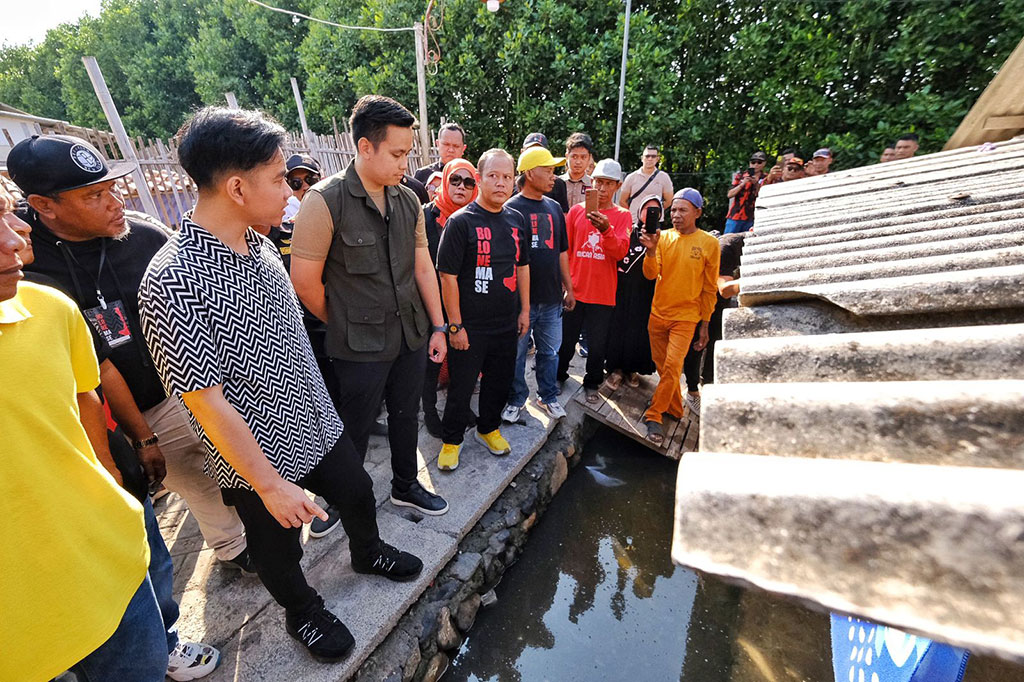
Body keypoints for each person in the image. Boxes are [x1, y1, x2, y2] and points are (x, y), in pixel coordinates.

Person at [138, 106, 424, 662]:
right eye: (278, 179)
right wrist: (269, 486)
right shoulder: (172, 278)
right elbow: (206, 403)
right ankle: (302, 610)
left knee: (357, 492)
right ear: (237, 187)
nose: (290, 192)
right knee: (276, 544)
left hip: (315, 421)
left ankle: (367, 551)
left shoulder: (263, 245)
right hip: (256, 451)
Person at [7, 134, 252, 572]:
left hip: (191, 387)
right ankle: (233, 548)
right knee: (194, 480)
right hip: (113, 413)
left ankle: (257, 530)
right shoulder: (24, 267)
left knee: (232, 463)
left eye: (111, 188)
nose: (114, 202)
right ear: (45, 205)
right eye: (94, 195)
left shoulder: (145, 236)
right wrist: (140, 436)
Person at [0, 197, 217, 682]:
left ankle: (167, 642)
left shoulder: (47, 306)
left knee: (144, 652)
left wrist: (115, 473)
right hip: (20, 616)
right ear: (45, 204)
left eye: (5, 214)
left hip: (113, 558)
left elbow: (88, 387)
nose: (14, 238)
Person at [289, 95, 449, 521]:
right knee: (353, 424)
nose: (404, 164)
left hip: (410, 334)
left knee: (406, 415)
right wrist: (343, 323)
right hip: (358, 346)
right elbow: (304, 282)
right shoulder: (324, 201)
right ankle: (343, 498)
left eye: (407, 153)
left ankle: (405, 485)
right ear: (365, 146)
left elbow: (422, 266)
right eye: (397, 154)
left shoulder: (408, 200)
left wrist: (438, 326)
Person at [435, 148, 530, 471]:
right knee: (461, 388)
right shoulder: (461, 222)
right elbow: (447, 277)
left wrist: (524, 311)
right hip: (470, 327)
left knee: (498, 383)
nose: (501, 183)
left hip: (506, 323)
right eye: (493, 176)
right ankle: (451, 440)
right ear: (479, 178)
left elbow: (522, 267)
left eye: (507, 176)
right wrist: (455, 326)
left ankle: (488, 428)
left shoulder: (516, 220)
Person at [501, 145, 575, 424]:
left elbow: (562, 251)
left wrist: (569, 287)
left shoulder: (554, 208)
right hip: (520, 302)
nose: (554, 176)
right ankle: (515, 399)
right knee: (516, 354)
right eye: (548, 170)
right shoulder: (509, 209)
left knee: (550, 352)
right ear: (530, 173)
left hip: (552, 299)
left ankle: (547, 396)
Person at [639, 188, 718, 445]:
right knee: (663, 368)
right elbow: (650, 274)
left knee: (673, 366)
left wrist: (705, 324)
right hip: (658, 313)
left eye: (682, 210)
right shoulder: (663, 237)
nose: (676, 215)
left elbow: (709, 288)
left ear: (698, 212)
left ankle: (654, 414)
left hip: (686, 317)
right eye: (673, 210)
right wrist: (651, 251)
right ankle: (674, 406)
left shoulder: (709, 243)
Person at [556, 158, 631, 402]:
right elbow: (566, 251)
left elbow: (620, 252)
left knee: (598, 345)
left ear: (618, 186)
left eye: (609, 183)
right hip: (575, 290)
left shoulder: (623, 216)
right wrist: (565, 286)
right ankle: (558, 376)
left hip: (603, 293)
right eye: (599, 182)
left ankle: (592, 382)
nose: (602, 188)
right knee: (566, 341)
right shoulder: (577, 211)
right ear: (592, 182)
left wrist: (606, 230)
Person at [421, 158, 479, 438]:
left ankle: (459, 408)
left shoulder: (477, 217)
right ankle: (430, 413)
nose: (461, 187)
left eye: (468, 182)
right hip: (431, 301)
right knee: (432, 361)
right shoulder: (425, 216)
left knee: (462, 361)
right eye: (455, 180)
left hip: (463, 301)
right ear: (445, 181)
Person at [681, 230, 746, 413]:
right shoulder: (727, 248)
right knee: (698, 344)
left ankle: (707, 384)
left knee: (716, 342)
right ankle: (692, 390)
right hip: (700, 299)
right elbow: (724, 289)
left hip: (718, 303)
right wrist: (758, 280)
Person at [604, 194, 659, 390]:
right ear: (639, 210)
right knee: (618, 326)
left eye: (654, 210)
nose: (649, 213)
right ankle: (616, 368)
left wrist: (653, 247)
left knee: (638, 330)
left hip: (645, 292)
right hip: (621, 288)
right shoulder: (627, 230)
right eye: (646, 208)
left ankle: (632, 368)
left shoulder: (662, 237)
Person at [619, 145, 674, 222]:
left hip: (655, 221)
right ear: (642, 158)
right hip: (634, 221)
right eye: (647, 156)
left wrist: (656, 210)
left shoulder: (664, 177)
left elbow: (669, 200)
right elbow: (622, 201)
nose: (650, 159)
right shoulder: (631, 177)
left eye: (653, 156)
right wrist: (633, 213)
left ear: (657, 159)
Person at [520, 132, 570, 213]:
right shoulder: (511, 188)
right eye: (531, 151)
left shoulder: (555, 205)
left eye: (540, 151)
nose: (552, 177)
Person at [724, 150, 767, 234]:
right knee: (727, 239)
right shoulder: (740, 175)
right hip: (735, 216)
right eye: (753, 162)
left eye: (759, 162)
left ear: (764, 164)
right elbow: (730, 194)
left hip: (754, 217)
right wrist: (742, 184)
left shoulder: (766, 178)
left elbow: (764, 196)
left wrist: (756, 184)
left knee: (748, 240)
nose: (756, 165)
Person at [282, 153, 321, 223]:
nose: (306, 187)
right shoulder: (285, 213)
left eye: (311, 179)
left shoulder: (336, 204)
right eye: (296, 183)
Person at [561, 132, 594, 209]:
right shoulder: (556, 183)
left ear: (589, 158)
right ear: (567, 156)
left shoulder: (593, 185)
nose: (578, 162)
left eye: (583, 157)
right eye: (574, 157)